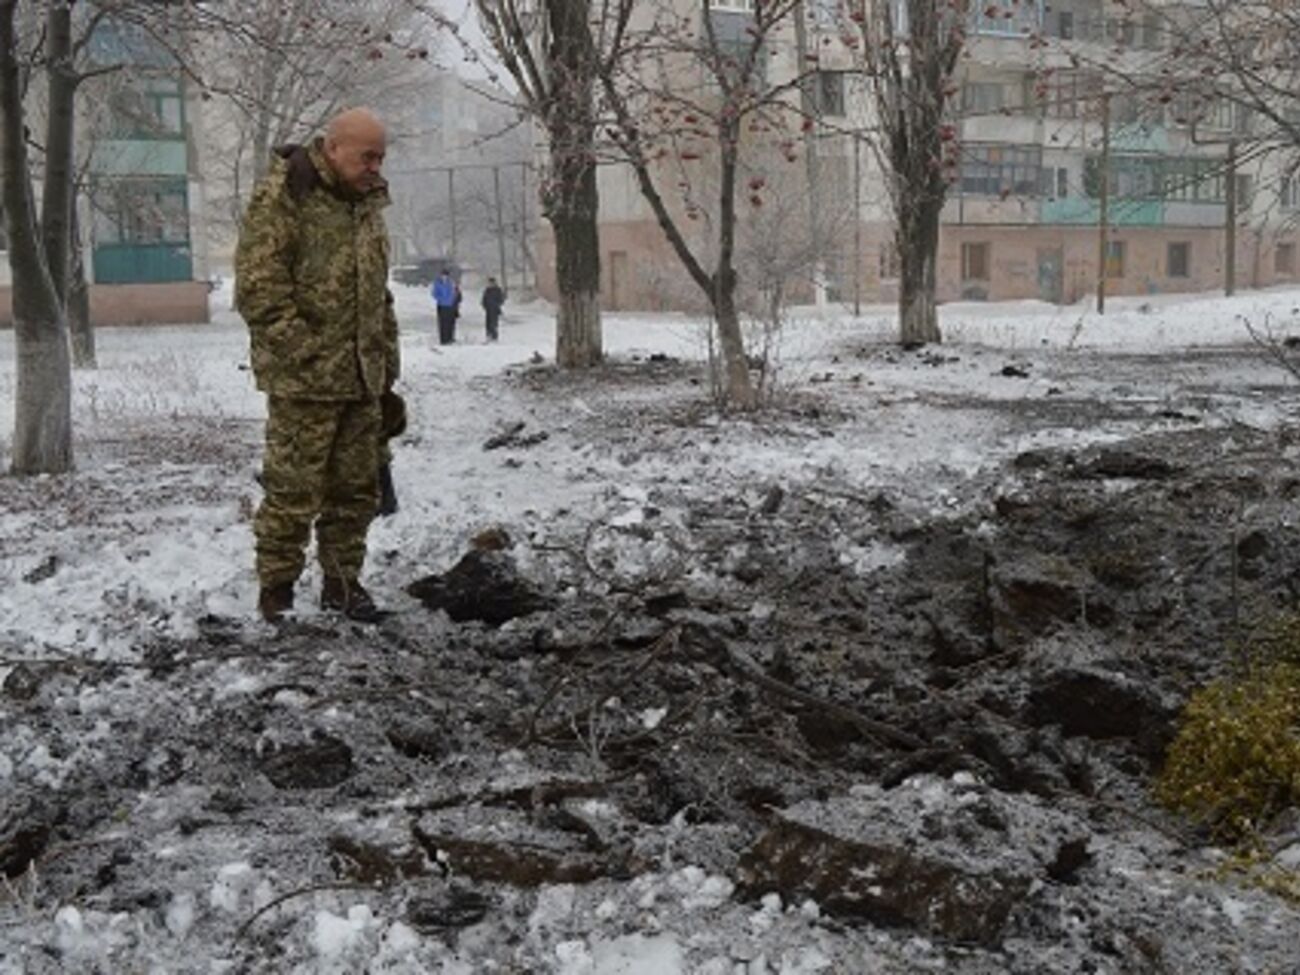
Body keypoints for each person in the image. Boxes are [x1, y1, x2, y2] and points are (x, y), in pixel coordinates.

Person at [235, 107, 400, 624]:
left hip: (361, 380)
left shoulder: (366, 206)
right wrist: (304, 354)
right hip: (305, 383)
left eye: (381, 157)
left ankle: (343, 585)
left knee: (356, 492)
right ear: (332, 149)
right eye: (366, 156)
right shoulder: (287, 196)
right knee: (292, 492)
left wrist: (385, 364)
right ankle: (277, 593)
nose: (375, 166)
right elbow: (259, 290)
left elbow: (377, 294)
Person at [432, 269, 458, 344]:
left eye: (446, 275)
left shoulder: (450, 283)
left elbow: (453, 292)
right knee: (442, 322)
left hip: (450, 305)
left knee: (449, 322)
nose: (444, 277)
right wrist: (440, 299)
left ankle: (450, 338)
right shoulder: (437, 283)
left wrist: (451, 300)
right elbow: (434, 293)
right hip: (441, 305)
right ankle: (443, 339)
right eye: (443, 275)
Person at [481, 277, 505, 342]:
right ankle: (488, 335)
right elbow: (484, 299)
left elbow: (501, 299)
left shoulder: (498, 290)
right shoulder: (487, 290)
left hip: (495, 309)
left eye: (492, 283)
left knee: (494, 323)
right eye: (489, 283)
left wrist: (497, 304)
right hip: (488, 309)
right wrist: (484, 305)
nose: (490, 284)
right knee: (488, 323)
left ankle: (494, 336)